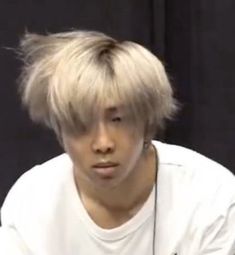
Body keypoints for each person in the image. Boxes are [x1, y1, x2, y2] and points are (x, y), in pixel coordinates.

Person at [0, 30, 235, 255]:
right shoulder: (31, 201)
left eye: (118, 119)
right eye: (81, 122)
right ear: (59, 129)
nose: (103, 143)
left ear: (147, 120)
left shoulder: (212, 198)